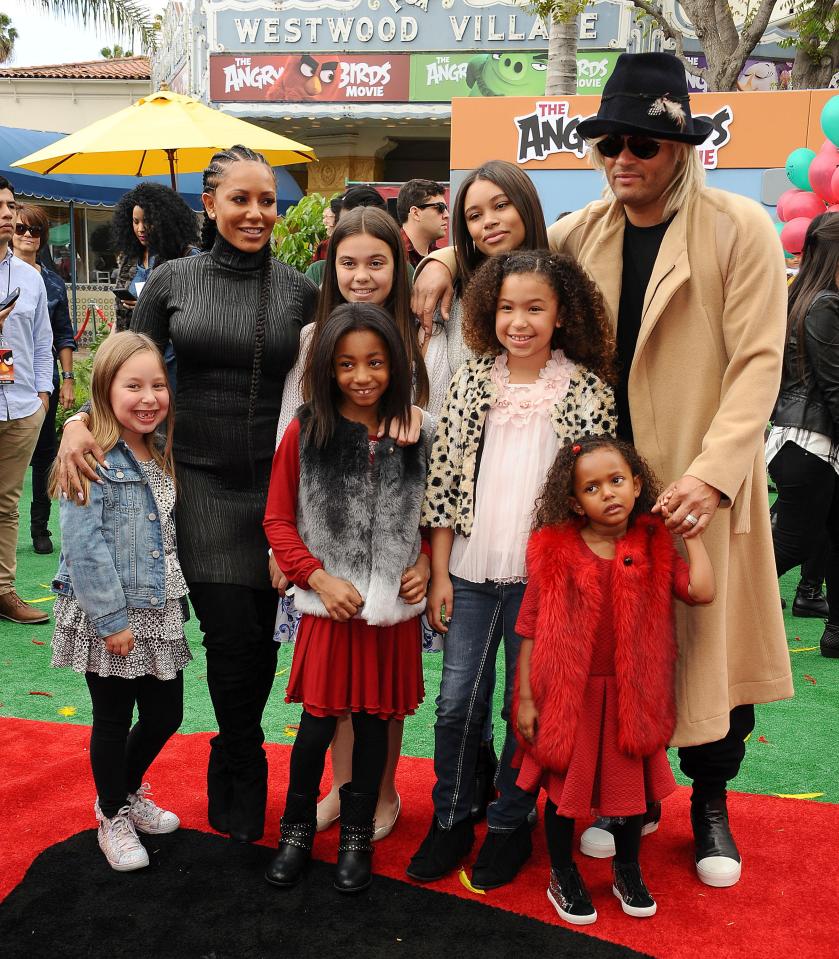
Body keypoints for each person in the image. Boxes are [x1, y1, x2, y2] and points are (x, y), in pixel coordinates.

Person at [411, 52, 793, 888]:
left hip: (694, 484)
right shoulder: (582, 233)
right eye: (609, 142)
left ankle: (710, 803)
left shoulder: (740, 229)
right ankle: (627, 801)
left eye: (643, 143)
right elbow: (509, 277)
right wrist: (439, 261)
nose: (622, 156)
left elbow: (760, 363)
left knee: (708, 660)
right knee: (619, 662)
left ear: (681, 147)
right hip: (593, 494)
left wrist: (713, 473)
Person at [56, 146, 318, 846]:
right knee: (224, 635)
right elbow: (124, 369)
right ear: (209, 204)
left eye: (267, 200)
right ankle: (201, 771)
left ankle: (235, 753)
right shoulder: (172, 279)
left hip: (271, 492)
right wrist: (77, 425)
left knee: (255, 648)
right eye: (240, 199)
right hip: (189, 485)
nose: (256, 212)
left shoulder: (298, 290)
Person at [406, 250, 617, 890]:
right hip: (468, 573)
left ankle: (508, 825)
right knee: (453, 705)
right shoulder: (471, 381)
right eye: (506, 308)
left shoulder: (587, 392)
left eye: (534, 309)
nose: (518, 322)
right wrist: (439, 573)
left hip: (543, 582)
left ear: (562, 315)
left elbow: (591, 500)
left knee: (524, 710)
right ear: (487, 312)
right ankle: (451, 818)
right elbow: (443, 483)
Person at [276, 205, 445, 842]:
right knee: (336, 685)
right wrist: (291, 548)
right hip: (330, 545)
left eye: (378, 262)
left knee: (384, 687)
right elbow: (295, 430)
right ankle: (343, 793)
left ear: (400, 266)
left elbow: (444, 449)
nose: (363, 276)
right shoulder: (316, 339)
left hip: (400, 542)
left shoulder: (431, 323)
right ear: (331, 267)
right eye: (349, 262)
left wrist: (429, 559)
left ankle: (381, 792)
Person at [263, 303, 429, 893]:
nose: (362, 376)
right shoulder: (307, 430)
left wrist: (429, 562)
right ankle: (297, 829)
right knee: (315, 728)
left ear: (396, 364)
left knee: (373, 724)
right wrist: (317, 578)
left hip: (390, 613)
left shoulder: (419, 430)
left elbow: (438, 514)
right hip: (329, 609)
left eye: (375, 362)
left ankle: (357, 835)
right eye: (346, 365)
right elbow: (279, 520)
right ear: (328, 370)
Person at [515, 436, 715, 924]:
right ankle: (562, 872)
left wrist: (688, 533)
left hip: (632, 697)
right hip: (569, 698)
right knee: (563, 796)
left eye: (617, 480)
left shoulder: (651, 545)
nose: (608, 493)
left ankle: (627, 868)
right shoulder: (554, 549)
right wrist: (524, 697)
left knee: (632, 797)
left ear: (638, 483)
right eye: (592, 487)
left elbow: (701, 591)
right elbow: (528, 628)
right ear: (573, 500)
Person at [50, 332, 187, 872]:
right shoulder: (90, 454)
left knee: (166, 713)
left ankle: (125, 794)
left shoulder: (158, 446)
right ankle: (111, 816)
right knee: (112, 716)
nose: (149, 397)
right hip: (111, 609)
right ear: (105, 390)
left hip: (159, 604)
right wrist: (110, 618)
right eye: (133, 386)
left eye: (158, 384)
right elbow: (83, 545)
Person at [767, 212, 839, 659]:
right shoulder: (824, 304)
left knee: (829, 538)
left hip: (802, 442)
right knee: (793, 542)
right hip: (810, 443)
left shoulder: (802, 298)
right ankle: (718, 607)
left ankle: (836, 631)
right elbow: (834, 386)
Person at [0, 176, 54, 626]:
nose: (7, 213)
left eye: (9, 204)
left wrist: (42, 397)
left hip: (21, 407)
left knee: (6, 502)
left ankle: (3, 591)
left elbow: (42, 343)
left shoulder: (30, 277)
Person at [12, 204, 76, 556]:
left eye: (35, 231)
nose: (27, 236)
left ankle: (40, 527)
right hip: (7, 374)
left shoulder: (51, 281)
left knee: (44, 455)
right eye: (21, 229)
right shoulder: (5, 275)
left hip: (42, 378)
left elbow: (63, 334)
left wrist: (66, 379)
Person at [111, 183, 199, 333]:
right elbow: (119, 319)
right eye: (136, 221)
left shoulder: (186, 256)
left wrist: (147, 308)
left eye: (148, 221)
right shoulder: (130, 258)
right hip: (134, 349)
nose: (141, 229)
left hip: (170, 353)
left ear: (164, 220)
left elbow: (198, 311)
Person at [396, 179, 449, 269]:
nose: (447, 215)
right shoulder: (392, 254)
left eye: (446, 208)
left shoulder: (441, 258)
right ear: (416, 213)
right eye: (440, 207)